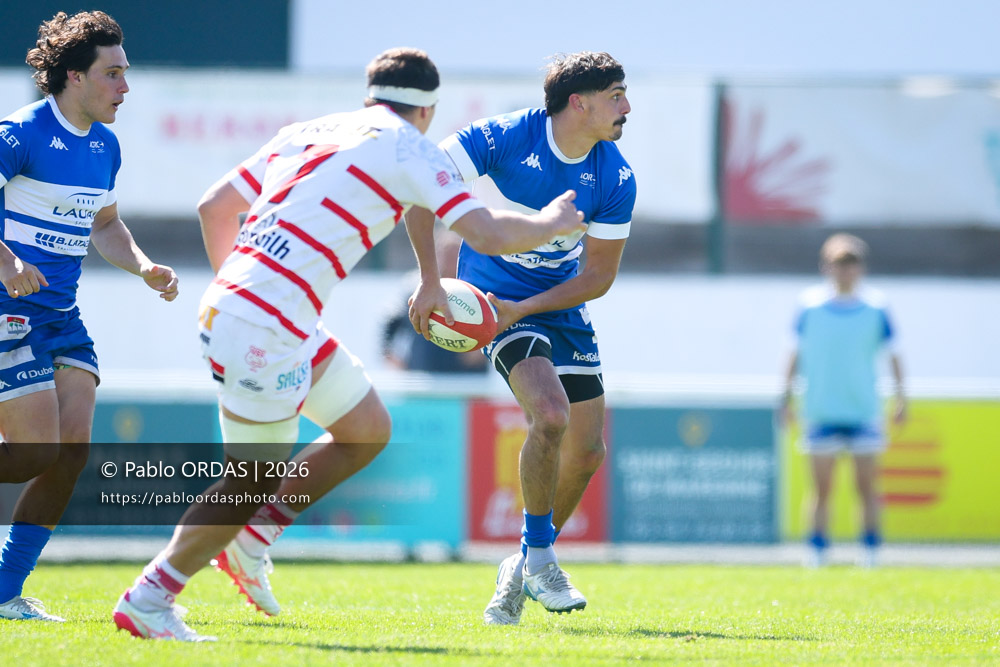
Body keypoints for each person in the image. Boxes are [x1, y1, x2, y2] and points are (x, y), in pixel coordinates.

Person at [112, 47, 586, 642]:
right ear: (428, 111)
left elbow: (215, 207)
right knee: (249, 479)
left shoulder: (312, 129)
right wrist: (552, 223)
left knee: (365, 428)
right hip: (265, 325)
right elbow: (486, 233)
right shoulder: (410, 147)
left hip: (257, 311)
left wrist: (238, 292)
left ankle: (255, 536)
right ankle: (152, 596)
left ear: (371, 96)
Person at [411, 51, 634, 624]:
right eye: (615, 96)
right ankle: (541, 561)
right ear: (577, 102)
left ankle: (526, 562)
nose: (626, 108)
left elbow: (598, 277)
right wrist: (432, 283)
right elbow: (418, 187)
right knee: (551, 417)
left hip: (553, 306)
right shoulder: (505, 137)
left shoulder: (615, 176)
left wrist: (525, 308)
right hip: (490, 299)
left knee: (586, 452)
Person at [0, 11, 179, 623]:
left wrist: (144, 267)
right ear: (74, 77)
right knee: (32, 453)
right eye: (114, 74)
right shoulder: (21, 131)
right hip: (8, 309)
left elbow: (104, 225)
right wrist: (6, 263)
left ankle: (4, 593)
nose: (125, 87)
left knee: (71, 452)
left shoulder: (105, 145)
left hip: (61, 315)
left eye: (125, 73)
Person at [780, 233, 907, 568]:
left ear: (861, 268)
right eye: (838, 264)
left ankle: (870, 551)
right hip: (821, 409)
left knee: (866, 486)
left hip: (863, 409)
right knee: (821, 488)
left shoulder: (877, 308)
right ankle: (817, 551)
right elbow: (794, 354)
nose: (845, 271)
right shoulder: (809, 307)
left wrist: (900, 398)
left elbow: (894, 356)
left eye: (851, 264)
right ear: (826, 267)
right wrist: (785, 398)